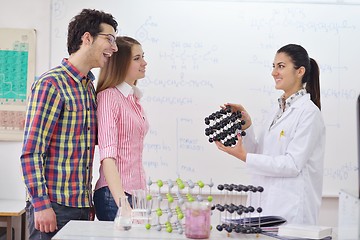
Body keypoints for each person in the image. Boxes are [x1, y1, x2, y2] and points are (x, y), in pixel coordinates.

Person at [20, 9, 118, 239]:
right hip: (52, 207)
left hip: (81, 207)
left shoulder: (87, 87)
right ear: (87, 38)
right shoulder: (51, 83)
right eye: (109, 39)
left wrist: (87, 204)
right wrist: (41, 205)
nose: (114, 48)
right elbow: (32, 152)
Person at [215, 44, 325, 225]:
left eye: (281, 66)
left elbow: (292, 165)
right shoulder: (276, 109)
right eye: (273, 66)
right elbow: (261, 153)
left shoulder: (309, 113)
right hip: (265, 206)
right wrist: (247, 125)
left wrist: (245, 157)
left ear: (300, 71)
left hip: (290, 212)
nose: (274, 72)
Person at [93, 36, 149, 221]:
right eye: (137, 58)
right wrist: (123, 205)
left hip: (134, 194)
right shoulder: (109, 97)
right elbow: (108, 157)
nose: (144, 62)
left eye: (143, 56)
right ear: (121, 64)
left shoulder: (133, 100)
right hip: (115, 196)